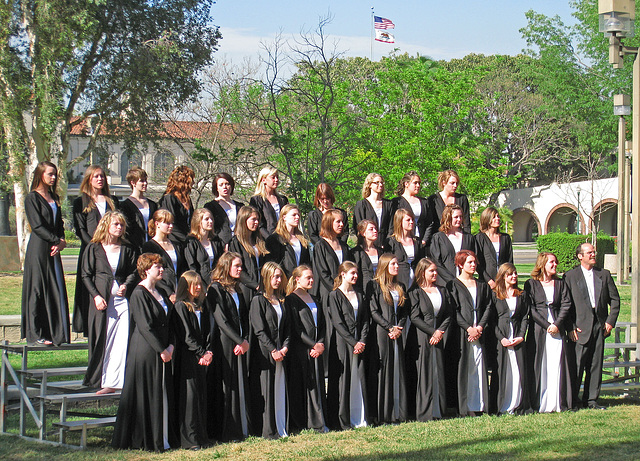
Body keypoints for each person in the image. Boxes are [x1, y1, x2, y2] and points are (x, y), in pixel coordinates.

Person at [112, 253, 177, 451]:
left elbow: (171, 321)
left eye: (162, 266)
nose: (161, 269)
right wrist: (161, 349)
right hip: (146, 351)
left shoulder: (162, 293)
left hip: (164, 349)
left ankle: (163, 435)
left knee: (161, 392)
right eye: (157, 266)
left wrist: (171, 346)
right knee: (147, 393)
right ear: (146, 269)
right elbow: (145, 326)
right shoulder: (139, 294)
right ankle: (146, 438)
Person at [81, 211, 138, 393]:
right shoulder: (94, 248)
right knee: (102, 339)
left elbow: (134, 272)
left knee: (121, 341)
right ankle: (99, 379)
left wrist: (126, 285)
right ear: (106, 225)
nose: (119, 228)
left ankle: (115, 382)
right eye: (116, 224)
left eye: (121, 225)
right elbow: (86, 275)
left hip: (121, 302)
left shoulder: (127, 248)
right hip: (102, 301)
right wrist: (96, 296)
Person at [564, 243, 620, 410]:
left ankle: (591, 400)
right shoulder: (570, 276)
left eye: (594, 252)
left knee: (595, 365)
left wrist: (610, 322)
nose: (593, 254)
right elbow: (565, 305)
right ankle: (573, 400)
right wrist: (570, 327)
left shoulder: (604, 274)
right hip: (579, 329)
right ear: (580, 256)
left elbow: (615, 300)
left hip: (599, 327)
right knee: (577, 366)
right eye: (589, 252)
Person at [21, 161, 70, 346]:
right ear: (40, 175)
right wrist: (56, 240)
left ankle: (55, 333)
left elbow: (59, 225)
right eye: (50, 174)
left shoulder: (54, 197)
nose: (53, 177)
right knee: (37, 288)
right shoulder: (32, 198)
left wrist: (62, 240)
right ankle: (35, 333)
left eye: (55, 174)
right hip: (39, 249)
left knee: (53, 287)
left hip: (53, 249)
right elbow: (37, 226)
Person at [208, 252, 251, 441]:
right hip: (225, 343)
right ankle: (227, 430)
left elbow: (244, 316)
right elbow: (221, 321)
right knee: (227, 385)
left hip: (240, 342)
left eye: (241, 265)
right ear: (226, 266)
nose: (240, 269)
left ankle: (242, 426)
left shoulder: (238, 289)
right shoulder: (215, 289)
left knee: (239, 381)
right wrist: (238, 340)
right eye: (237, 266)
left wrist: (245, 339)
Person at [524, 252, 573, 413]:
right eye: (551, 262)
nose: (555, 265)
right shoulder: (531, 284)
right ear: (542, 264)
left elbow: (566, 304)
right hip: (539, 330)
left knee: (556, 363)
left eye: (556, 262)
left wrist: (557, 324)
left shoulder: (560, 283)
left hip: (558, 329)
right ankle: (539, 402)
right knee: (540, 364)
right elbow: (530, 308)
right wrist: (546, 325)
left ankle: (558, 402)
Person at [73, 165, 118, 334]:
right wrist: (94, 245)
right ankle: (87, 326)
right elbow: (81, 229)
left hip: (111, 249)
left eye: (102, 176)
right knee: (89, 287)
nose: (100, 179)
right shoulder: (80, 202)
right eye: (96, 176)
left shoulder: (112, 201)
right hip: (90, 251)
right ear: (89, 179)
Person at [448, 249, 493, 416]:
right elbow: (454, 310)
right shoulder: (453, 285)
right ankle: (465, 406)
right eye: (469, 262)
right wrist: (469, 328)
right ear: (460, 265)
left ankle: (480, 404)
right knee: (465, 368)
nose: (473, 265)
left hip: (479, 332)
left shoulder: (481, 285)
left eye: (474, 262)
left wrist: (480, 327)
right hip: (463, 334)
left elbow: (488, 307)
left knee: (479, 367)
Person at [172, 271, 213, 449]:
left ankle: (201, 436)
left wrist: (209, 351)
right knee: (189, 397)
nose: (198, 287)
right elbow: (187, 335)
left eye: (199, 284)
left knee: (200, 397)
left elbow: (207, 332)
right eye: (194, 284)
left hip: (202, 357)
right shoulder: (181, 306)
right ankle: (189, 439)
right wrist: (201, 353)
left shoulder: (200, 306)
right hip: (189, 358)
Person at [249, 262, 290, 439]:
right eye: (275, 276)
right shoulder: (258, 300)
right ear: (266, 277)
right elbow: (259, 329)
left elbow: (287, 327)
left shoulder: (281, 300)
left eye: (280, 276)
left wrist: (285, 347)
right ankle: (269, 430)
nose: (278, 280)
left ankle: (282, 426)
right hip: (266, 354)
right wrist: (273, 350)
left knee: (279, 388)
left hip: (282, 351)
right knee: (267, 390)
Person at [285, 265, 328, 433]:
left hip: (317, 348)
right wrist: (312, 344)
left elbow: (323, 324)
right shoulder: (291, 300)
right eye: (307, 277)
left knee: (316, 383)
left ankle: (320, 420)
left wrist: (321, 343)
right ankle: (305, 421)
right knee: (303, 385)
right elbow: (297, 329)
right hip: (301, 350)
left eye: (312, 277)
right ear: (297, 279)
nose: (311, 280)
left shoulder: (315, 298)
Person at [326, 261, 369, 430]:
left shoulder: (359, 294)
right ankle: (342, 420)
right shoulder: (334, 295)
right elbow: (337, 322)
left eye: (356, 273)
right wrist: (353, 342)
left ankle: (359, 416)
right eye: (352, 273)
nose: (355, 276)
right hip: (342, 344)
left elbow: (365, 319)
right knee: (344, 380)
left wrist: (362, 340)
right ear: (342, 274)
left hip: (359, 342)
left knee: (358, 378)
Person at [408, 258, 452, 421]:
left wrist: (440, 331)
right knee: (424, 371)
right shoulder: (415, 292)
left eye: (435, 270)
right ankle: (424, 412)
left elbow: (448, 313)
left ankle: (438, 410)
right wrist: (432, 332)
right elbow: (414, 317)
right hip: (421, 336)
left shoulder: (442, 290)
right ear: (422, 272)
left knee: (438, 369)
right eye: (431, 271)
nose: (435, 273)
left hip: (438, 335)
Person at [366, 254, 408, 424]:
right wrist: (389, 327)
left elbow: (405, 311)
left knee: (397, 367)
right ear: (384, 266)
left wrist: (399, 327)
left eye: (397, 264)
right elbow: (374, 311)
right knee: (384, 369)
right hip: (382, 333)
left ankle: (399, 412)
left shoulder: (400, 286)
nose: (396, 267)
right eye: (393, 264)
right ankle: (383, 414)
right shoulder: (374, 286)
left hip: (397, 332)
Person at [493, 263, 529, 415]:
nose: (514, 276)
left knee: (517, 370)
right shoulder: (495, 295)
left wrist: (521, 336)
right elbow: (492, 320)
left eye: (515, 274)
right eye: (510, 274)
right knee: (503, 371)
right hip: (502, 338)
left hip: (517, 338)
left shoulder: (521, 294)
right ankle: (502, 405)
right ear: (503, 276)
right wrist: (501, 338)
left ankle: (517, 404)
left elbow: (525, 317)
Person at [142, 209, 186, 303]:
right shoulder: (149, 246)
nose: (171, 226)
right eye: (167, 223)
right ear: (157, 224)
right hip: (162, 291)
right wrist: (169, 292)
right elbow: (151, 272)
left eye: (172, 223)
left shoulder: (177, 245)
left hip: (179, 291)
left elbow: (182, 267)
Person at [311, 209, 353, 304]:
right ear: (329, 223)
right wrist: (336, 289)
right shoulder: (320, 246)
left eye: (342, 221)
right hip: (329, 293)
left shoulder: (343, 245)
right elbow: (323, 272)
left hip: (345, 291)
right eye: (338, 221)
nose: (342, 224)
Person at [228, 205, 269, 304]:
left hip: (262, 286)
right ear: (244, 220)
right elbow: (238, 269)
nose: (256, 222)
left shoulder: (259, 240)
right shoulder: (235, 242)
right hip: (245, 288)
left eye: (258, 219)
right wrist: (255, 285)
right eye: (253, 219)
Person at [430, 204, 475, 287]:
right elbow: (436, 261)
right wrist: (451, 280)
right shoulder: (438, 237)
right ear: (448, 218)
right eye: (456, 217)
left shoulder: (469, 238)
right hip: (445, 283)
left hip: (466, 283)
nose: (459, 219)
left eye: (461, 217)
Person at [265, 204, 311, 277]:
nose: (297, 217)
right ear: (284, 217)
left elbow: (307, 262)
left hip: (300, 280)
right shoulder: (274, 239)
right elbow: (273, 264)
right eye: (294, 215)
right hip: (283, 280)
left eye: (298, 215)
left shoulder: (302, 239)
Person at [391, 171, 435, 245]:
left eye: (419, 183)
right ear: (406, 184)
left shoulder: (424, 202)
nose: (418, 185)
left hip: (421, 242)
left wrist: (424, 240)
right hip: (403, 242)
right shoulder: (397, 202)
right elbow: (393, 224)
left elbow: (430, 223)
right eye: (415, 183)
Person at [119, 167, 157, 251]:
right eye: (142, 181)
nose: (145, 183)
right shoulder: (125, 206)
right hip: (135, 248)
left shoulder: (152, 205)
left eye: (146, 180)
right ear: (133, 183)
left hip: (152, 247)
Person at [475, 207, 513, 289]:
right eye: (494, 217)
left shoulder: (505, 238)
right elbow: (478, 263)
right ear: (487, 219)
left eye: (498, 216)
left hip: (503, 281)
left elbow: (509, 261)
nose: (497, 219)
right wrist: (489, 280)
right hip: (486, 282)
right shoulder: (479, 238)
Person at [184, 208, 224, 287]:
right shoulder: (191, 242)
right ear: (198, 222)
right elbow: (191, 266)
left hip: (217, 283)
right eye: (206, 219)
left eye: (211, 219)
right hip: (200, 285)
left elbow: (221, 262)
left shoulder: (216, 240)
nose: (210, 221)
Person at [386, 208, 424, 289]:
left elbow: (421, 261)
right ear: (400, 221)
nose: (411, 222)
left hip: (416, 281)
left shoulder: (417, 241)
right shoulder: (391, 242)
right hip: (399, 281)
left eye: (412, 219)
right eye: (408, 220)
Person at [204, 172, 245, 246]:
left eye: (227, 184)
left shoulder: (240, 206)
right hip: (220, 245)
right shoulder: (210, 206)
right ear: (216, 187)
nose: (225, 187)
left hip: (240, 244)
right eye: (221, 185)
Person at [353, 173, 393, 247]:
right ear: (370, 185)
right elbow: (359, 226)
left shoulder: (388, 204)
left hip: (386, 245)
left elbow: (391, 226)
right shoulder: (361, 205)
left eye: (381, 182)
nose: (380, 185)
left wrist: (387, 242)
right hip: (367, 246)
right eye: (377, 182)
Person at [158, 165, 195, 244]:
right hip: (175, 241)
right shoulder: (169, 198)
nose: (193, 183)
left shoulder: (187, 199)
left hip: (188, 240)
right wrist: (186, 239)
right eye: (191, 180)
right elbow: (171, 224)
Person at [427, 169, 471, 235]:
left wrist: (467, 239)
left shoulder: (462, 199)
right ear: (444, 182)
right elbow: (430, 223)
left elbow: (466, 223)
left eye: (457, 183)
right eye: (452, 183)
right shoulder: (433, 199)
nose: (455, 186)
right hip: (439, 237)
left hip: (458, 236)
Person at [249, 167, 289, 239]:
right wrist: (269, 238)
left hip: (284, 238)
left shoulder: (283, 199)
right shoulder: (257, 200)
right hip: (265, 240)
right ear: (264, 180)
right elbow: (258, 224)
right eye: (273, 177)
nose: (276, 180)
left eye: (277, 177)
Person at [351, 219, 385, 293]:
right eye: (371, 229)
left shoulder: (381, 251)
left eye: (375, 229)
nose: (375, 231)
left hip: (381, 288)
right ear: (363, 233)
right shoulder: (356, 252)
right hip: (364, 289)